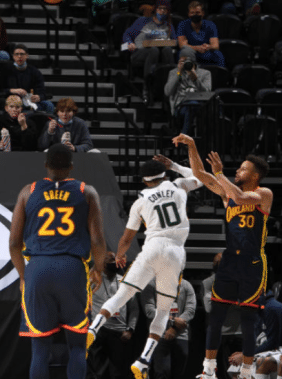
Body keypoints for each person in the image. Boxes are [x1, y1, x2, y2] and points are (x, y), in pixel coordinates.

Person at [87, 156, 203, 379]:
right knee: (163, 311)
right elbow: (200, 177)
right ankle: (143, 360)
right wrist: (175, 165)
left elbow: (126, 238)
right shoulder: (178, 185)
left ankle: (93, 329)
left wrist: (120, 255)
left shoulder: (140, 201)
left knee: (123, 295)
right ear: (164, 175)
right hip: (175, 251)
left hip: (152, 247)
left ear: (144, 180)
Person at [172, 133, 273, 379]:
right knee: (215, 316)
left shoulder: (264, 194)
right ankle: (208, 370)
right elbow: (199, 174)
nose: (238, 171)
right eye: (238, 168)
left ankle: (247, 372)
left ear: (255, 176)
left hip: (252, 262)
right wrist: (192, 145)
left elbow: (240, 197)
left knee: (248, 319)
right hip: (230, 261)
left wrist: (219, 173)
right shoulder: (227, 193)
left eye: (243, 169)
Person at [9, 143, 107, 379]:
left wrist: (23, 276)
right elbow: (97, 240)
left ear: (46, 165)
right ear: (71, 166)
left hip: (38, 268)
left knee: (40, 350)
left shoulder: (28, 191)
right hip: (72, 268)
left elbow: (13, 244)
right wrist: (98, 269)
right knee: (77, 346)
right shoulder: (86, 191)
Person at [227, 291, 282, 377]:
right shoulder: (256, 310)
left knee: (258, 362)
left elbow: (272, 343)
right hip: (276, 347)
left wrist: (244, 355)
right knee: (235, 366)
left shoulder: (272, 307)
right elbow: (257, 341)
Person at [87, 251, 139, 379]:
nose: (113, 263)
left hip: (119, 332)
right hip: (99, 330)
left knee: (118, 372)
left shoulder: (125, 282)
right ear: (103, 263)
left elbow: (134, 309)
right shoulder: (93, 280)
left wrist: (130, 329)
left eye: (114, 260)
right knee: (97, 371)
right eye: (110, 260)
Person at [141, 277, 197, 379]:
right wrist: (172, 320)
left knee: (179, 373)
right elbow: (149, 311)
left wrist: (174, 328)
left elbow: (190, 310)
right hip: (159, 335)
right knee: (162, 373)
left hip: (181, 335)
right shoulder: (151, 285)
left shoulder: (186, 285)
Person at [202, 252, 243, 379]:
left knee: (239, 372)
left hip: (239, 332)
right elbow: (209, 308)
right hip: (219, 334)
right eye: (217, 263)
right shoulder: (207, 283)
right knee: (222, 373)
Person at [121, 0, 176, 83]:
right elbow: (127, 35)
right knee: (153, 50)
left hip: (161, 53)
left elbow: (174, 41)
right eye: (160, 8)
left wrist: (162, 42)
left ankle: (170, 83)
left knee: (167, 50)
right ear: (155, 9)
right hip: (139, 52)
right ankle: (147, 85)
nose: (162, 11)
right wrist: (129, 43)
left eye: (165, 9)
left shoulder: (168, 25)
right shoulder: (142, 21)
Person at [164, 55, 212, 135]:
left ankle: (184, 136)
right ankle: (185, 136)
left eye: (187, 62)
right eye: (182, 62)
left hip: (200, 105)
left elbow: (207, 93)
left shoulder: (205, 73)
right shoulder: (174, 72)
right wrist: (178, 73)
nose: (185, 64)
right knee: (191, 107)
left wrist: (195, 79)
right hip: (180, 106)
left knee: (193, 105)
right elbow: (167, 92)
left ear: (194, 63)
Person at [4, 44, 54, 113]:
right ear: (13, 56)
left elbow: (42, 92)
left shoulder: (34, 71)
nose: (19, 56)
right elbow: (1, 91)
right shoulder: (7, 71)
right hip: (14, 101)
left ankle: (49, 120)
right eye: (17, 54)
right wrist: (13, 90)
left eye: (22, 54)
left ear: (27, 56)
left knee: (49, 105)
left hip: (31, 101)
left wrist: (39, 97)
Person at [176, 1, 226, 68]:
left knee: (218, 54)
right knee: (184, 52)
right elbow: (182, 45)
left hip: (205, 51)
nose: (195, 15)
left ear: (203, 13)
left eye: (197, 12)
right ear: (188, 14)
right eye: (192, 13)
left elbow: (215, 46)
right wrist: (197, 48)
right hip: (190, 51)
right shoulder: (182, 25)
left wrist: (208, 47)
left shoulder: (210, 24)